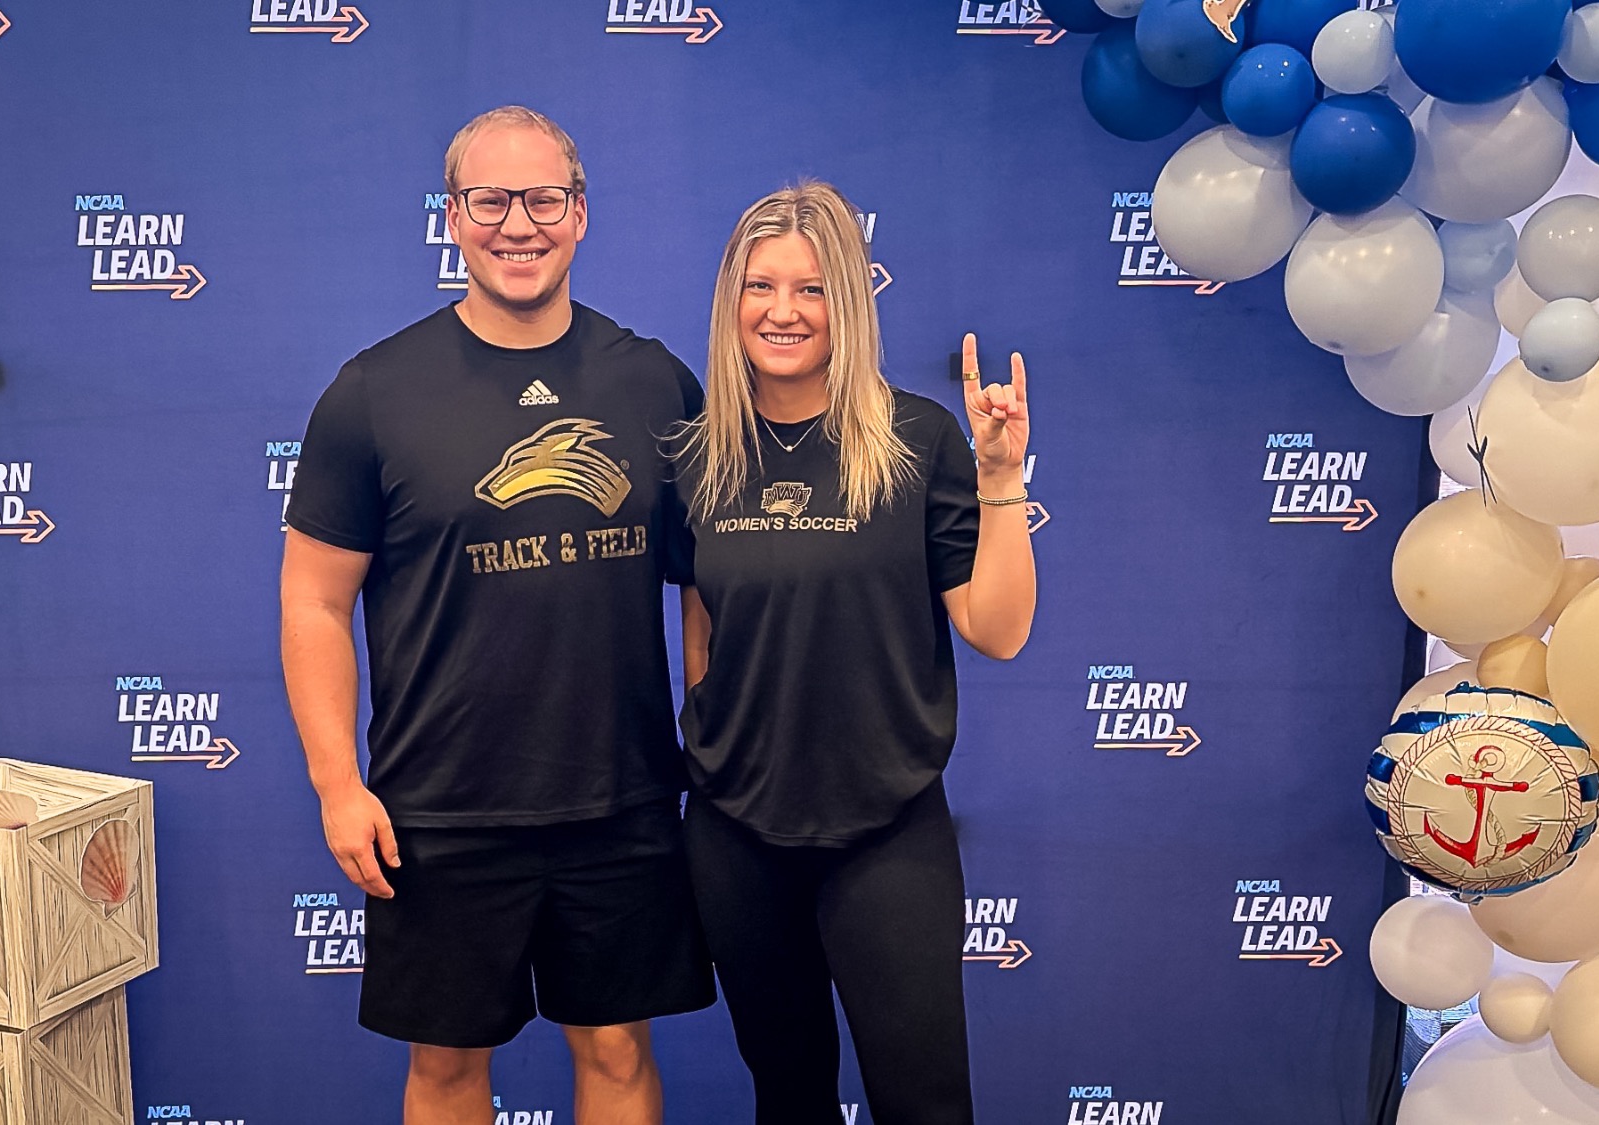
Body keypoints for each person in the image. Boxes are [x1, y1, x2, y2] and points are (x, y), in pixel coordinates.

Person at [280, 105, 714, 1125]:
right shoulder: (372, 394)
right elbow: (312, 599)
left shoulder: (652, 383)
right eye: (490, 200)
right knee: (443, 1069)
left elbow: (707, 583)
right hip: (439, 810)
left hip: (620, 800)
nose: (517, 224)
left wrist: (711, 734)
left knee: (614, 1054)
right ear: (452, 216)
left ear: (579, 214)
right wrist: (337, 784)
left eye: (542, 199)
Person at [672, 181, 1038, 1125]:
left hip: (886, 830)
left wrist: (1001, 479)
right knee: (787, 1095)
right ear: (731, 298)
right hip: (737, 835)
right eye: (761, 286)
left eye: (812, 288)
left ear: (850, 299)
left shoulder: (917, 438)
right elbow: (702, 626)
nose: (783, 311)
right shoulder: (699, 454)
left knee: (924, 1105)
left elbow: (997, 628)